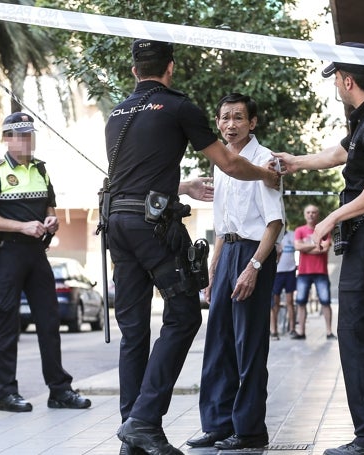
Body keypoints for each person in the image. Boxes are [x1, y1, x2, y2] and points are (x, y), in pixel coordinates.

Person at [105, 40, 280, 455]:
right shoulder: (179, 107)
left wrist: (180, 186)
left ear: (134, 71)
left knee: (133, 332)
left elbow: (133, 175)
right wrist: (266, 176)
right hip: (150, 229)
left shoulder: (116, 114)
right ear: (170, 67)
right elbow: (231, 164)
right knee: (183, 316)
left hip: (115, 223)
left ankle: (132, 429)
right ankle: (144, 422)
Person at [274, 41, 364, 455]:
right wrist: (296, 161)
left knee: (354, 333)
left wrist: (331, 218)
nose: (337, 85)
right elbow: (339, 154)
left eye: (337, 78)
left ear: (347, 79)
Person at [0, 112, 91, 413]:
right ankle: (7, 394)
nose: (26, 140)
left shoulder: (41, 170)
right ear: (7, 139)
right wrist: (20, 226)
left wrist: (51, 221)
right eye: (20, 135)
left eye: (29, 134)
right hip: (8, 254)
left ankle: (59, 391)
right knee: (7, 324)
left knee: (50, 323)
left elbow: (49, 206)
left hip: (36, 254)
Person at [186, 92, 284, 450]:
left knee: (249, 346)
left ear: (252, 122)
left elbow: (274, 224)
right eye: (225, 118)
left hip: (254, 254)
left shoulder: (265, 161)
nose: (230, 125)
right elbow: (223, 223)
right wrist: (214, 270)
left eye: (238, 118)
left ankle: (249, 429)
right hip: (227, 252)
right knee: (219, 344)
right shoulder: (222, 162)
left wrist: (253, 267)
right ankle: (216, 424)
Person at [292, 204, 336, 340]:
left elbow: (325, 248)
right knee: (300, 302)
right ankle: (301, 332)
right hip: (304, 272)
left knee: (325, 301)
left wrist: (306, 248)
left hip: (321, 271)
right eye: (308, 212)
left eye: (314, 212)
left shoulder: (324, 230)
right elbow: (297, 246)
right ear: (305, 214)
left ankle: (329, 332)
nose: (311, 214)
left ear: (318, 214)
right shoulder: (299, 230)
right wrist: (316, 245)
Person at [271, 228, 297, 339]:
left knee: (290, 302)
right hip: (277, 273)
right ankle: (274, 331)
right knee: (274, 304)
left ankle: (292, 329)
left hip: (290, 271)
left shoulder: (292, 234)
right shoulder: (273, 234)